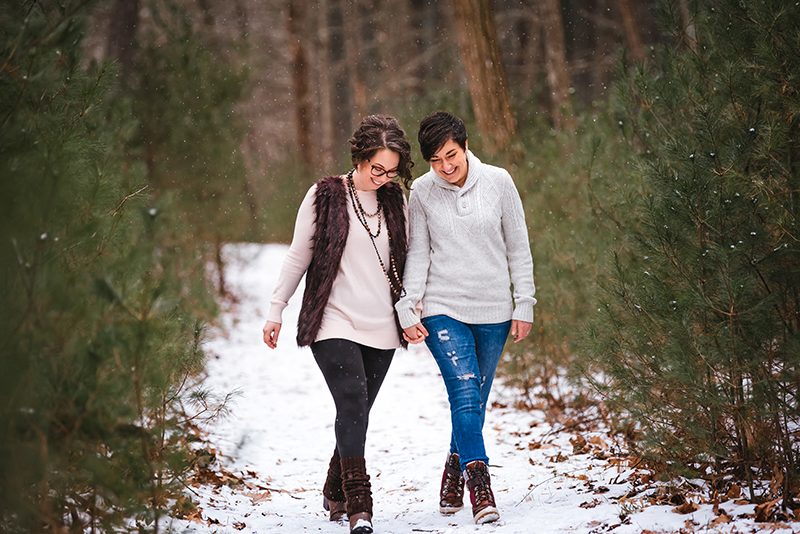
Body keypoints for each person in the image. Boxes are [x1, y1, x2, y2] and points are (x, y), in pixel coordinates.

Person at [262, 115, 413, 534]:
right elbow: (299, 255)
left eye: (391, 171)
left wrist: (416, 312)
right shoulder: (324, 195)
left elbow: (414, 264)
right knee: (350, 401)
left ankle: (334, 486)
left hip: (383, 323)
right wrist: (277, 307)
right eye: (375, 168)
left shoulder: (397, 202)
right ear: (359, 158)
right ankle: (359, 503)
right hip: (333, 318)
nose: (382, 178)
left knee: (358, 411)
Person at [395, 111, 536, 525]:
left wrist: (523, 302)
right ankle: (481, 485)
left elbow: (518, 247)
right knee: (463, 391)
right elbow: (418, 253)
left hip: (493, 309)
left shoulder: (499, 182)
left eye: (451, 155)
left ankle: (453, 469)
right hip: (443, 307)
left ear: (466, 144)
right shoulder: (421, 192)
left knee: (474, 400)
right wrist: (409, 304)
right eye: (435, 160)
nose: (445, 167)